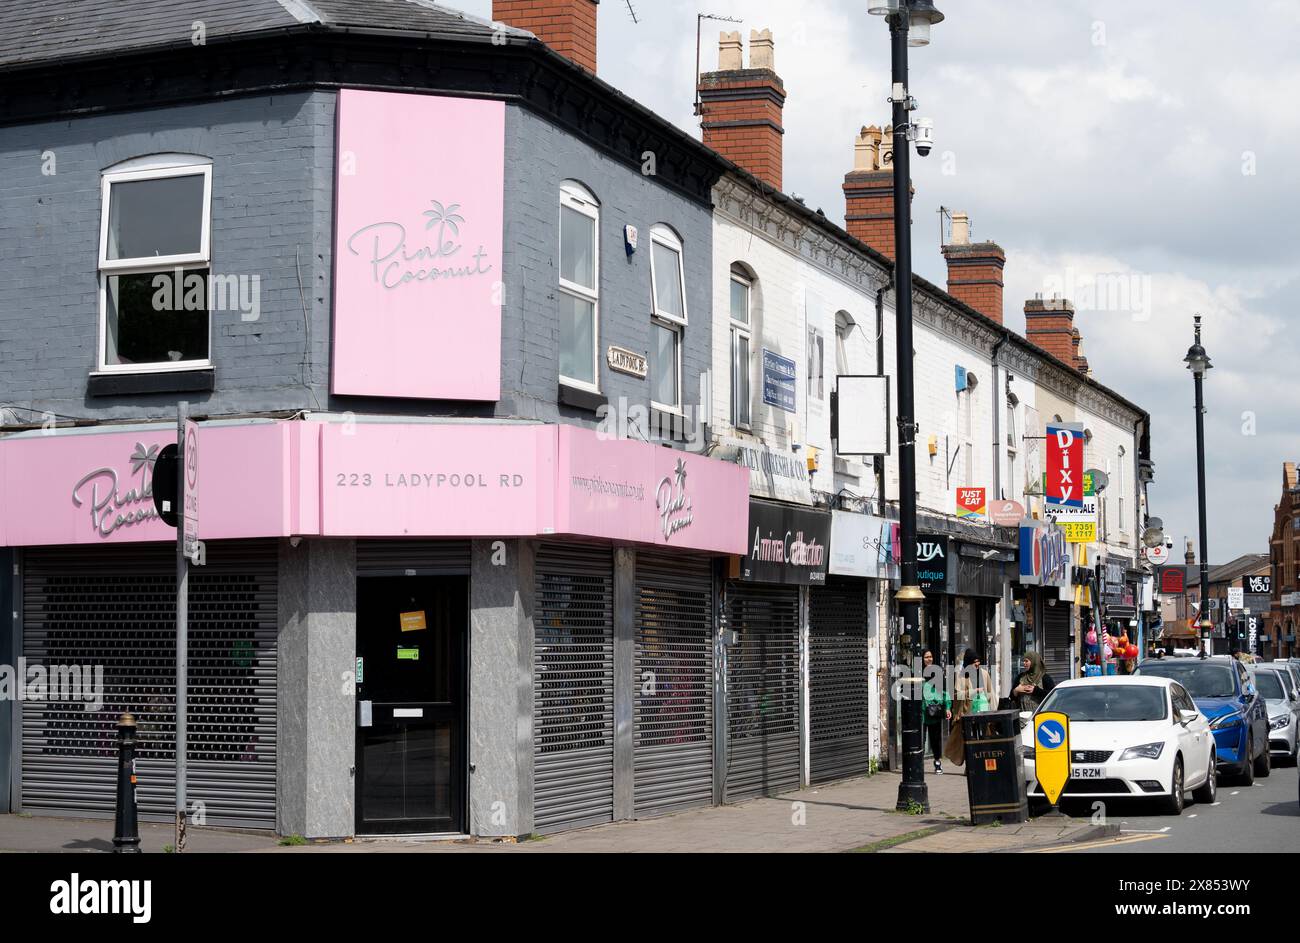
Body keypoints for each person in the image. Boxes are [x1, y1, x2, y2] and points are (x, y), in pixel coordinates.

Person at [943, 649, 992, 767]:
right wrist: (973, 692)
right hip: (968, 713)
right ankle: (971, 765)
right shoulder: (961, 676)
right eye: (974, 662)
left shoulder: (984, 674)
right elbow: (957, 695)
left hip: (984, 711)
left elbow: (990, 692)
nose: (977, 664)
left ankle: (982, 764)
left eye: (978, 661)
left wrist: (989, 704)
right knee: (970, 740)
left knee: (984, 738)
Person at [920, 650, 951, 774]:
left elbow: (944, 692)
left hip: (934, 711)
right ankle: (919, 764)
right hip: (921, 713)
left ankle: (937, 762)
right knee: (920, 740)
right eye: (926, 657)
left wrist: (947, 707)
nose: (929, 659)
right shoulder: (918, 673)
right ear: (922, 659)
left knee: (935, 739)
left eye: (931, 656)